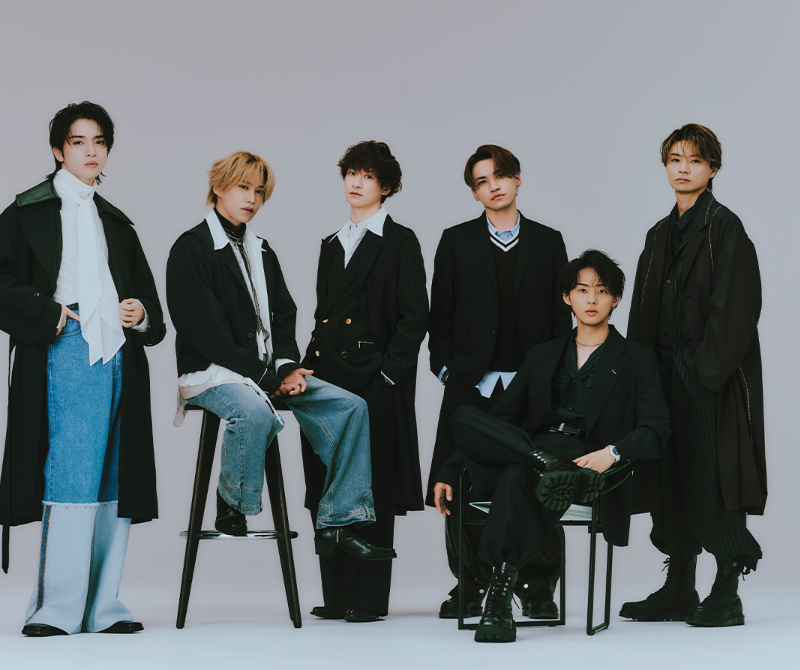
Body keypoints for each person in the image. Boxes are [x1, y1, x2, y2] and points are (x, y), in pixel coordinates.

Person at [0, 101, 166, 636]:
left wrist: (140, 311)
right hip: (70, 347)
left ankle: (103, 608)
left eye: (99, 142)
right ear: (58, 150)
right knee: (73, 473)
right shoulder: (28, 211)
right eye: (78, 142)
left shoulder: (116, 221)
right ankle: (56, 609)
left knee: (115, 475)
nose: (91, 151)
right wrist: (47, 312)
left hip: (121, 353)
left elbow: (148, 299)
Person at [166, 151, 394, 575]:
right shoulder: (191, 248)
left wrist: (286, 368)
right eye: (243, 188)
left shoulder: (260, 248)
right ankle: (232, 502)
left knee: (350, 407)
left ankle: (339, 521)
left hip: (267, 373)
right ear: (218, 187)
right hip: (214, 374)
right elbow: (205, 331)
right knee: (255, 413)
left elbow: (285, 313)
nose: (251, 199)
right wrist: (266, 377)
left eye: (258, 191)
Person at [434, 250, 671, 642]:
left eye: (602, 291)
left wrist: (611, 452)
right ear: (567, 297)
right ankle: (540, 462)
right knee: (464, 417)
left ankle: (498, 602)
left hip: (584, 460)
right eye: (582, 290)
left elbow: (656, 429)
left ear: (615, 299)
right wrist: (448, 470)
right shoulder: (543, 355)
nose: (591, 299)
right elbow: (502, 418)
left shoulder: (636, 359)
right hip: (535, 448)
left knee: (514, 477)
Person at [620, 124, 766, 627]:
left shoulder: (725, 228)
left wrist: (707, 371)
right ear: (666, 166)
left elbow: (738, 308)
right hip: (659, 369)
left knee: (711, 472)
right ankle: (679, 584)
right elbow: (642, 311)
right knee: (666, 472)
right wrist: (637, 373)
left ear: (713, 169)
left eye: (695, 160)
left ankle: (727, 589)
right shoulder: (658, 234)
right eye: (675, 159)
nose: (683, 168)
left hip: (703, 372)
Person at [425, 145, 572, 619]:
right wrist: (446, 370)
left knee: (538, 480)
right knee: (459, 482)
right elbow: (439, 316)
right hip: (472, 385)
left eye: (501, 176)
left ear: (518, 179)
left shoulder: (548, 241)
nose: (494, 186)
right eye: (482, 181)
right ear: (474, 192)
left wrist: (555, 378)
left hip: (532, 386)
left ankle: (538, 587)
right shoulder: (455, 241)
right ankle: (470, 585)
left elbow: (560, 320)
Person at [299, 141, 429, 622]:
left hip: (374, 380)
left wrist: (388, 376)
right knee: (325, 479)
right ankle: (336, 597)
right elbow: (323, 316)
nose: (356, 182)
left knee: (371, 483)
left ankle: (368, 600)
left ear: (386, 186)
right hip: (326, 378)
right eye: (351, 173)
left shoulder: (401, 241)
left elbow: (415, 316)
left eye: (368, 176)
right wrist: (305, 367)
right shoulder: (331, 244)